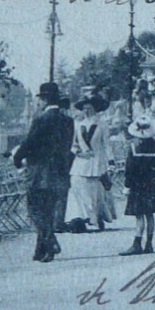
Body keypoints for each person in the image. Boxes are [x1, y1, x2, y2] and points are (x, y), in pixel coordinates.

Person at [12, 83, 74, 262]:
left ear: (45, 100)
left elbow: (30, 142)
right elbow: (67, 146)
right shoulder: (68, 121)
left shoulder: (41, 119)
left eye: (39, 99)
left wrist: (17, 157)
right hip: (60, 171)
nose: (38, 102)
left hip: (40, 171)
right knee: (48, 209)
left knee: (34, 209)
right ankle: (41, 250)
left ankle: (50, 241)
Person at [66, 96, 116, 232]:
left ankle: (96, 217)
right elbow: (73, 145)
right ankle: (81, 217)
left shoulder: (102, 125)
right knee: (77, 184)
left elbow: (107, 145)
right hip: (81, 162)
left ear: (95, 109)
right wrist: (78, 153)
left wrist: (111, 162)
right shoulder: (78, 125)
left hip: (96, 163)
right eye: (84, 109)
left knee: (94, 192)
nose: (86, 111)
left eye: (89, 108)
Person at [120, 117, 155, 256]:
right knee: (150, 214)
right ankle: (149, 243)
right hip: (152, 185)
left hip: (138, 185)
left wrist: (127, 186)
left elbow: (129, 169)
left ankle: (137, 243)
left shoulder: (134, 147)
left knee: (139, 215)